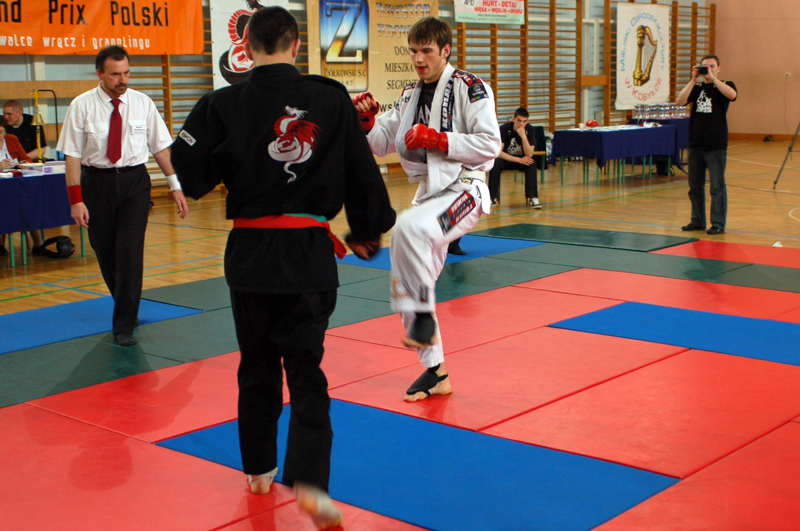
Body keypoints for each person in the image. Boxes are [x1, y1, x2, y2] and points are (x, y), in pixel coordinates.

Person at [170, 7, 395, 529]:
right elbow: (361, 173)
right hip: (307, 254)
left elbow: (189, 174)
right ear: (296, 46)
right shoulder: (330, 97)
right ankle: (311, 481)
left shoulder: (220, 103)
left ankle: (257, 471)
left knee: (256, 365)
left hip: (249, 256)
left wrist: (210, 147)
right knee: (306, 371)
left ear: (246, 48)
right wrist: (367, 230)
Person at [353, 16, 501, 402]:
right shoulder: (409, 95)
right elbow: (382, 142)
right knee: (406, 279)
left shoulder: (470, 87)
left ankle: (422, 318)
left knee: (407, 228)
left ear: (445, 50)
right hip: (430, 197)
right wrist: (366, 123)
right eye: (413, 51)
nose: (419, 59)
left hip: (466, 190)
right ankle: (436, 372)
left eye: (427, 51)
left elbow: (491, 144)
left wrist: (439, 139)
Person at [56, 45, 189, 347]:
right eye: (116, 74)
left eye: (127, 73)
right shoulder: (81, 105)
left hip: (134, 183)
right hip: (96, 183)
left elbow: (160, 148)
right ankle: (126, 305)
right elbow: (72, 156)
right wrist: (76, 199)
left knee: (130, 252)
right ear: (100, 74)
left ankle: (124, 324)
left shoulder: (143, 103)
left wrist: (175, 186)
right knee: (105, 251)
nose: (123, 79)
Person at [676, 54, 737, 235]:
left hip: (715, 145)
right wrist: (693, 80)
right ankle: (697, 221)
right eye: (704, 66)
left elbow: (732, 95)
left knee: (717, 187)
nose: (707, 69)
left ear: (718, 68)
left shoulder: (725, 85)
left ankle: (718, 223)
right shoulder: (697, 88)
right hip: (696, 143)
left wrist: (713, 79)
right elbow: (680, 101)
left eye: (711, 66)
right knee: (695, 187)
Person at [488, 107, 542, 209]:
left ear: (527, 121)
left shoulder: (530, 129)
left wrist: (523, 137)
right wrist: (518, 160)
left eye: (524, 121)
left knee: (531, 163)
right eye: (519, 120)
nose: (521, 124)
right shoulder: (504, 129)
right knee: (495, 162)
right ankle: (492, 197)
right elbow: (498, 152)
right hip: (507, 159)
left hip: (523, 160)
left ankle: (533, 197)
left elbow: (529, 154)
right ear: (513, 119)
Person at [0, 116, 34, 256]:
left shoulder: (12, 139)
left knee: (29, 204)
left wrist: (22, 164)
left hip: (14, 182)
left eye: (1, 132)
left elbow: (26, 158)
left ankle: (38, 244)